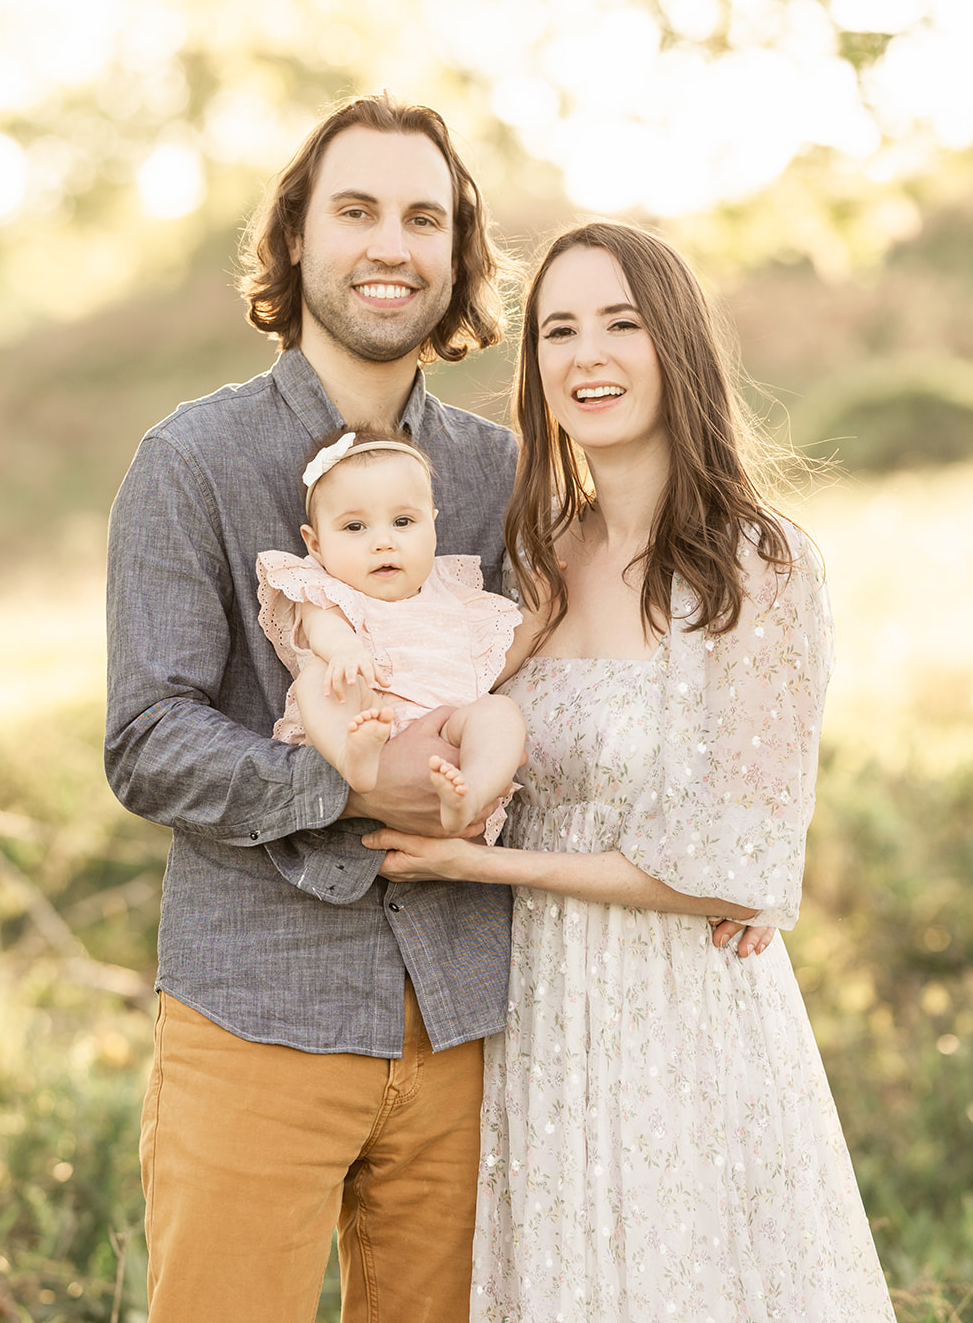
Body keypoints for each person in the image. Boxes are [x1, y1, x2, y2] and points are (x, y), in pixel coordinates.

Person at [364, 223, 897, 1322]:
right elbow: (427, 725)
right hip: (537, 1029)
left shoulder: (760, 565)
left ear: (677, 347)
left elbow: (734, 868)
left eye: (620, 322)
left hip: (687, 1019)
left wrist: (482, 864)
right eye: (557, 328)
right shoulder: (530, 561)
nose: (585, 355)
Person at [104, 94, 521, 1322]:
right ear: (295, 238)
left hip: (467, 1022)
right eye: (355, 210)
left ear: (454, 258)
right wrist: (343, 777)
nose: (389, 244)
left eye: (421, 218)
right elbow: (146, 739)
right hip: (256, 1009)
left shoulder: (500, 474)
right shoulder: (190, 462)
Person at [256, 427, 526, 834]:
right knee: (321, 676)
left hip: (448, 734)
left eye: (403, 521)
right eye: (354, 527)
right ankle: (353, 758)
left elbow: (494, 654)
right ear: (315, 544)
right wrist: (346, 651)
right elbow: (321, 626)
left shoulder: (454, 592)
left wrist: (546, 612)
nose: (383, 542)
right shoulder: (327, 590)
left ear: (432, 525)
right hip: (365, 711)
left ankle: (471, 792)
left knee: (499, 713)